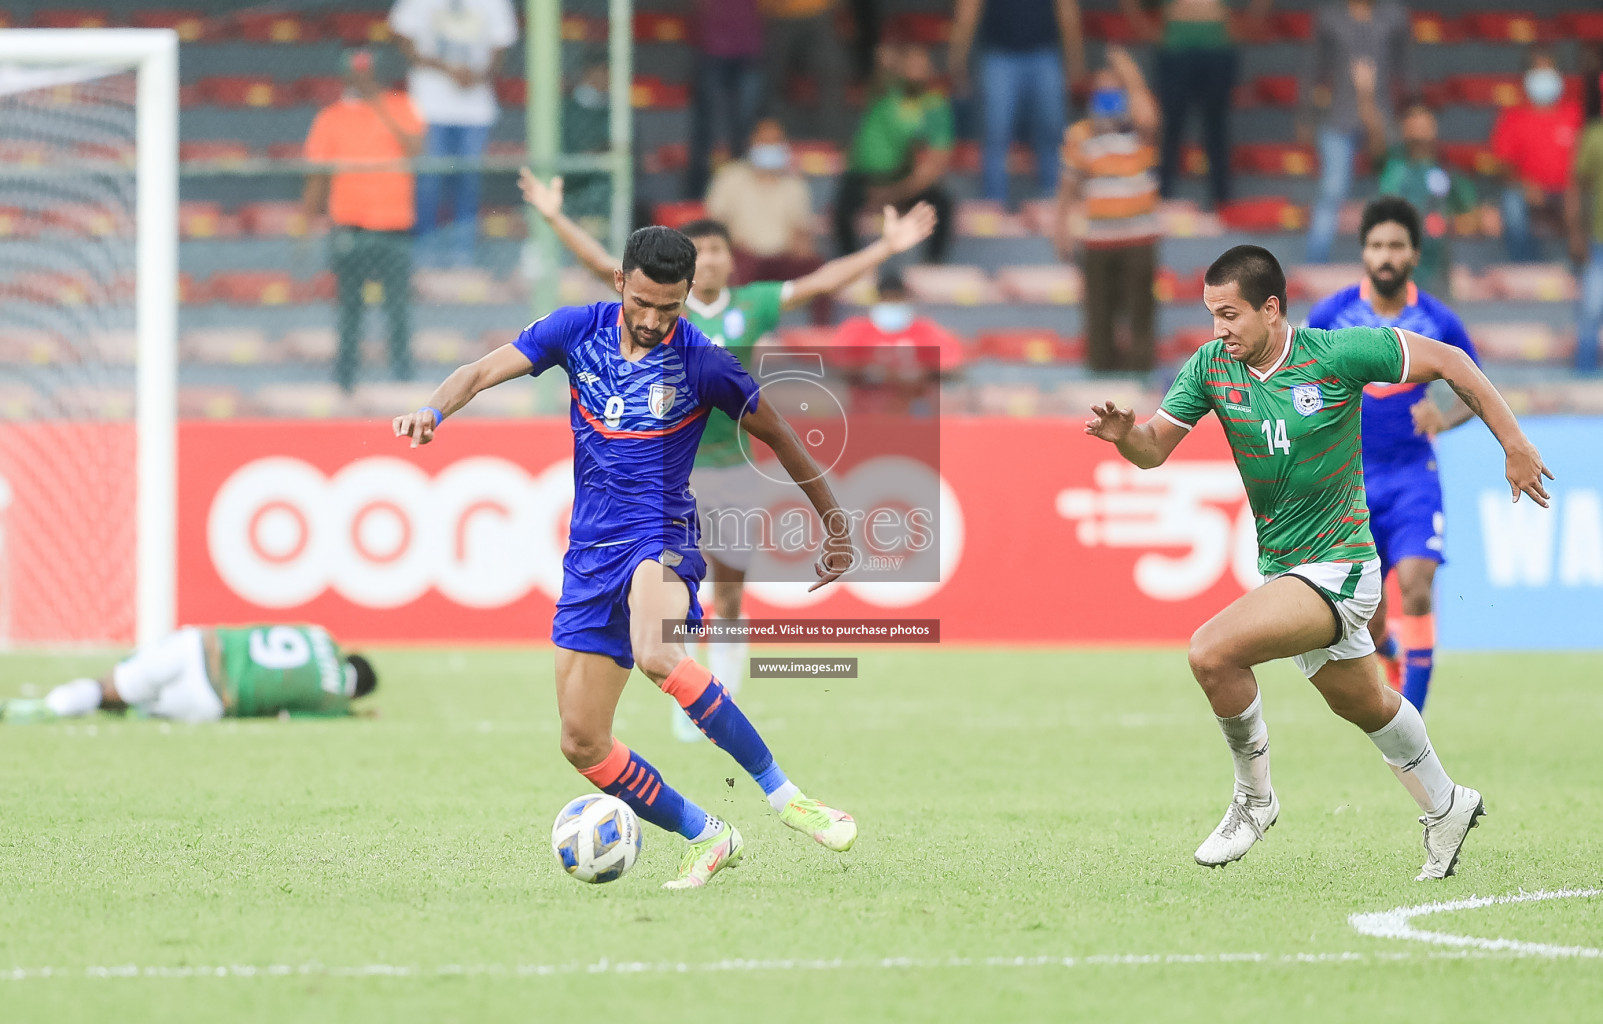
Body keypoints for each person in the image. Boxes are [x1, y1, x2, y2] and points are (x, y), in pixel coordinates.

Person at [392, 224, 860, 888]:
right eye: (641, 303)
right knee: (581, 742)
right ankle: (708, 834)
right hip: (589, 553)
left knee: (657, 650)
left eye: (667, 308)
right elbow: (477, 372)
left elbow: (781, 435)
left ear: (686, 297)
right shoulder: (574, 329)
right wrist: (431, 410)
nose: (651, 320)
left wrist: (835, 526)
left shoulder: (704, 361)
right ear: (620, 284)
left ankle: (788, 797)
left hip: (659, 534)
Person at [1084, 244, 1552, 879]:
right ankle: (1447, 805)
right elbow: (1153, 450)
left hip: (1343, 567)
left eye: (1229, 315)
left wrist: (1515, 443)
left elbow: (1453, 362)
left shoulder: (1337, 354)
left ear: (1272, 309)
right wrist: (1126, 440)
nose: (1218, 329)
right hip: (1286, 569)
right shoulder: (1212, 368)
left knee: (1212, 652)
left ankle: (1254, 801)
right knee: (1365, 704)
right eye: (1211, 314)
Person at [519, 171, 935, 740]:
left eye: (718, 250)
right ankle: (685, 700)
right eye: (704, 249)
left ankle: (725, 696)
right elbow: (601, 267)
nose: (712, 260)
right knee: (672, 593)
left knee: (731, 591)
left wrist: (884, 248)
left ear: (725, 261)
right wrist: (554, 217)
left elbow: (818, 283)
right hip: (671, 471)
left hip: (735, 467)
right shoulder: (658, 309)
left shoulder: (751, 306)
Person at [1306, 197, 1482, 712]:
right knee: (1374, 620)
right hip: (1350, 482)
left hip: (1413, 475)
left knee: (1417, 585)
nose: (1385, 255)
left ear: (1413, 254)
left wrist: (1444, 417)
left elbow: (1478, 389)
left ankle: (1415, 715)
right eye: (1377, 245)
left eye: (1396, 246)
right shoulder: (1332, 315)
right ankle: (1396, 655)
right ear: (1363, 252)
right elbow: (1305, 386)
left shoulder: (1438, 320)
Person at [301, 49, 424, 393]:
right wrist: (307, 222)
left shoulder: (400, 105)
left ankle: (403, 381)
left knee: (398, 308)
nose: (361, 80)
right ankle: (346, 382)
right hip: (350, 224)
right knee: (349, 310)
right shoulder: (331, 117)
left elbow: (416, 148)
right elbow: (317, 176)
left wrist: (378, 104)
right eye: (356, 75)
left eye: (367, 74)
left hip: (395, 224)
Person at [2, 625, 377, 724]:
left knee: (109, 689)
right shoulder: (335, 702)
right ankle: (128, 707)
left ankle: (39, 708)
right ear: (357, 692)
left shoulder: (319, 635)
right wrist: (355, 716)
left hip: (200, 646)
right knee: (133, 706)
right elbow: (286, 715)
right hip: (212, 700)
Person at [1053, 45, 1161, 372]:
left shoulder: (1139, 130)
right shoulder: (1080, 134)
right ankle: (1099, 379)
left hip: (1139, 237)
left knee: (1140, 312)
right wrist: (1060, 227)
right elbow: (1069, 185)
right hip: (1097, 238)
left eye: (1114, 89)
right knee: (1098, 313)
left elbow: (1147, 111)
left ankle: (1140, 377)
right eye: (1101, 89)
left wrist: (1128, 70)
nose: (1107, 95)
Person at [389, 0, 518, 267]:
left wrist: (478, 74)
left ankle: (462, 254)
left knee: (467, 184)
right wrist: (445, 68)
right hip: (428, 106)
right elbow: (401, 35)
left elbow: (501, 44)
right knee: (428, 182)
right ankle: (422, 254)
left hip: (475, 109)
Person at [1122, 0, 1272, 210]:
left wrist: (1252, 21)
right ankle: (1159, 200)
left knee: (1216, 130)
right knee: (1170, 129)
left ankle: (1222, 203)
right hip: (1174, 43)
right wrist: (1140, 24)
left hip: (1217, 42)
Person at [1301, 0, 1412, 264]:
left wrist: (1410, 114)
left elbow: (1408, 70)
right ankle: (1315, 263)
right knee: (1332, 189)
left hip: (1383, 117)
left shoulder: (1394, 16)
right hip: (1340, 115)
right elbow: (1313, 68)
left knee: (1395, 191)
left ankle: (1397, 262)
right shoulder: (1329, 17)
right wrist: (1305, 115)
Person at [948, 0, 1085, 205]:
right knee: (995, 135)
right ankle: (994, 206)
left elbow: (1067, 8)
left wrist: (1075, 59)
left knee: (1052, 133)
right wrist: (957, 58)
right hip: (999, 56)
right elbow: (969, 7)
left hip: (1045, 53)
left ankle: (1054, 206)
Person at [834, 41, 953, 263]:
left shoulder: (935, 106)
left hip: (901, 180)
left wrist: (893, 193)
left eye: (922, 63)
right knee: (842, 210)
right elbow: (882, 58)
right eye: (911, 62)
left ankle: (932, 266)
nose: (916, 69)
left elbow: (935, 165)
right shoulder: (884, 90)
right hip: (864, 175)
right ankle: (848, 266)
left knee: (942, 206)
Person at [705, 118, 823, 320]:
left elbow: (801, 231)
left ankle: (818, 332)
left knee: (818, 270)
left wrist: (801, 248)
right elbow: (715, 224)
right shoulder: (730, 178)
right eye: (765, 142)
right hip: (742, 255)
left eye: (775, 142)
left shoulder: (794, 184)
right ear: (753, 144)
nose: (770, 148)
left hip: (783, 257)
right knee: (735, 266)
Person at [1362, 96, 1478, 296]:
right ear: (1403, 128)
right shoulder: (1391, 162)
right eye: (1413, 123)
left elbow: (1472, 217)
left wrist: (1446, 223)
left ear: (1434, 126)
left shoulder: (1447, 170)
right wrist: (1366, 93)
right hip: (1390, 267)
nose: (1419, 129)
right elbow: (1374, 134)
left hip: (1435, 271)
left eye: (1424, 123)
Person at [1491, 47, 1583, 263]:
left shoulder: (1575, 115)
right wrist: (1526, 187)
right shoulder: (1512, 117)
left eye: (1548, 70)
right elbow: (1503, 167)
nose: (1543, 76)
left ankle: (1581, 267)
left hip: (1570, 192)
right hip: (1528, 191)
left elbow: (1587, 162)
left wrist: (1574, 190)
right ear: (1526, 77)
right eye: (1537, 70)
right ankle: (1524, 266)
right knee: (1512, 205)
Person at [830, 268, 965, 415]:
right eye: (887, 299)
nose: (892, 303)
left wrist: (921, 373)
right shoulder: (856, 330)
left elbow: (953, 368)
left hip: (915, 411)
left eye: (897, 298)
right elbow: (837, 369)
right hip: (867, 413)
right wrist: (870, 372)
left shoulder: (926, 330)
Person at [687, 0, 765, 199]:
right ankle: (699, 194)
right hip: (714, 47)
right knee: (710, 128)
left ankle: (741, 194)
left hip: (748, 48)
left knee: (745, 128)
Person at [759, 0, 847, 140]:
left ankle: (832, 140)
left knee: (832, 75)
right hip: (778, 15)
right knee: (772, 82)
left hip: (819, 12)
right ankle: (771, 139)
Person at [1567, 68, 1603, 374]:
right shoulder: (1594, 135)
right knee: (1591, 310)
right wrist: (1577, 233)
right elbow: (1577, 185)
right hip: (1600, 243)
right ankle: (1585, 371)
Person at [562, 55, 612, 222]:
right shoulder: (566, 106)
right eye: (605, 71)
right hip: (569, 181)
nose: (610, 78)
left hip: (599, 182)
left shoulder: (613, 111)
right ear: (591, 71)